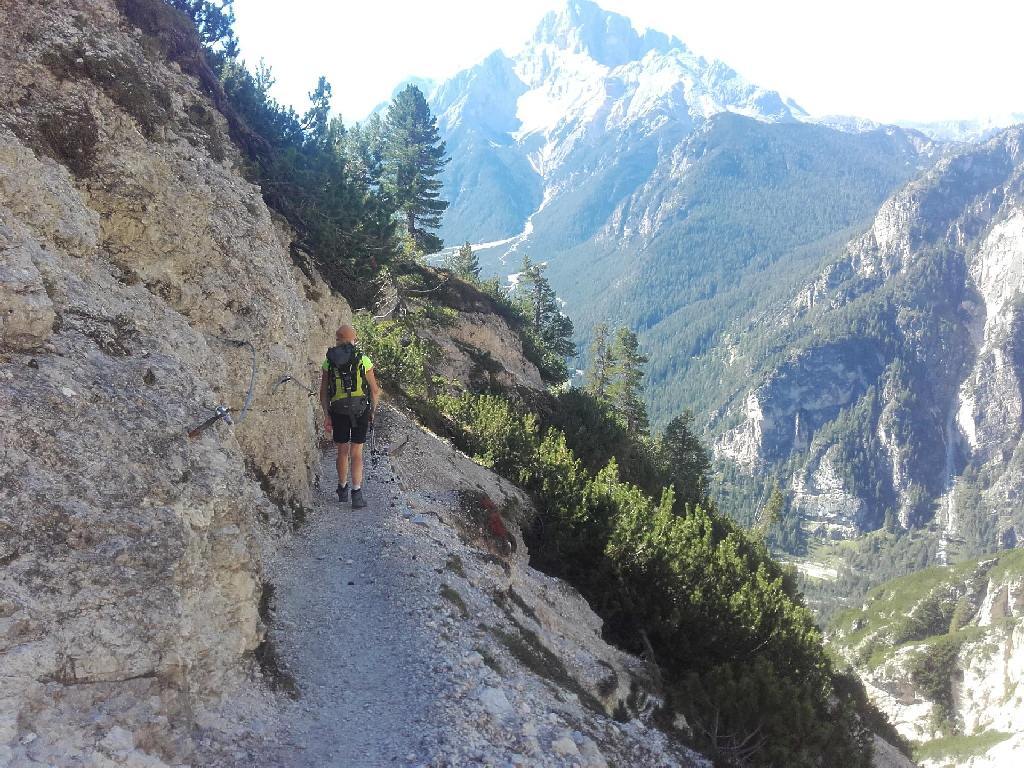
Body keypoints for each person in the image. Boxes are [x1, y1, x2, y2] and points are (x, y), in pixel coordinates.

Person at [320, 324, 380, 508]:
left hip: (338, 410)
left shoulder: (329, 361)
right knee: (357, 452)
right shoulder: (363, 359)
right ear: (354, 339)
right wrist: (372, 412)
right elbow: (374, 391)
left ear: (338, 339)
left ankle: (342, 488)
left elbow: (323, 392)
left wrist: (327, 414)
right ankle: (357, 493)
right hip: (360, 410)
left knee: (342, 451)